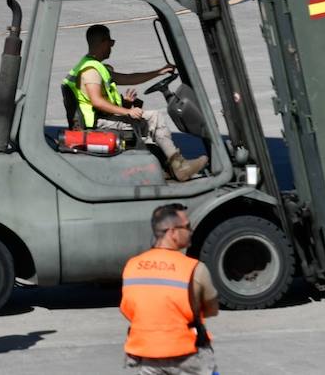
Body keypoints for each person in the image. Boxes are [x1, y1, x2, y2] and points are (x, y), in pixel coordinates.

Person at [67, 25, 208, 182]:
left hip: (105, 118)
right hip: (98, 124)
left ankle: (172, 168)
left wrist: (158, 72)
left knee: (151, 122)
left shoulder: (97, 67)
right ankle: (178, 166)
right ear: (103, 42)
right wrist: (127, 111)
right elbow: (96, 101)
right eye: (111, 42)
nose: (112, 47)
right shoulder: (90, 70)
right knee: (154, 119)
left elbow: (129, 78)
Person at [120, 204, 219, 375]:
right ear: (173, 232)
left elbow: (128, 310)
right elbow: (211, 310)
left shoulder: (132, 266)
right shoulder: (195, 268)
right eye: (187, 226)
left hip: (146, 354)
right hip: (188, 355)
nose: (191, 230)